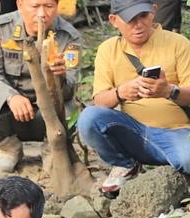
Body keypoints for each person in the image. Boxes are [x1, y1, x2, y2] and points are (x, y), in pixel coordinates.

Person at [77, 0, 190, 197]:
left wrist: (168, 91)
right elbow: (100, 101)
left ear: (153, 12)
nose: (138, 25)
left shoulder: (178, 43)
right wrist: (120, 92)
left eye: (143, 16)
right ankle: (124, 165)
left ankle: (176, 175)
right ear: (114, 20)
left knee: (187, 157)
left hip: (175, 132)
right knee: (88, 118)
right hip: (133, 131)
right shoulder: (108, 49)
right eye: (130, 19)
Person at [0, 0, 83, 172]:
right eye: (35, 6)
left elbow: (69, 91)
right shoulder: (2, 28)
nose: (41, 14)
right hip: (12, 111)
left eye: (48, 6)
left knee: (72, 114)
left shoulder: (68, 36)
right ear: (20, 5)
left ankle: (52, 150)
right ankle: (9, 150)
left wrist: (58, 76)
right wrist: (11, 96)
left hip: (47, 114)